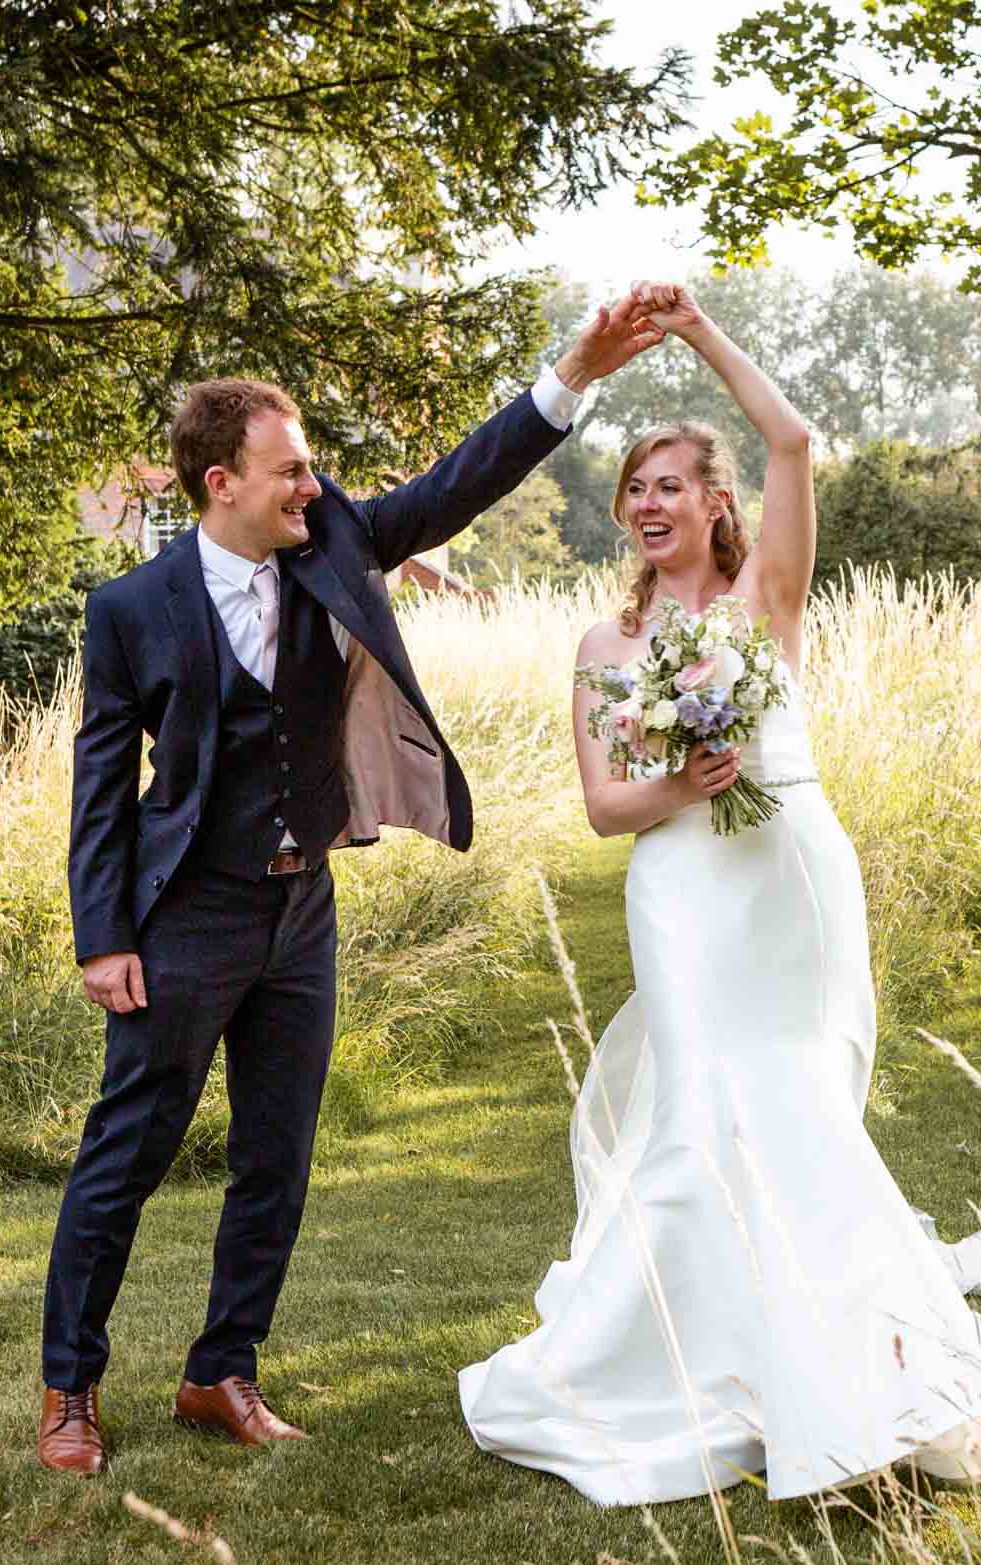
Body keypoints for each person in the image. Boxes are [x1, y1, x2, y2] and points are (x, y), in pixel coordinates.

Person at [39, 297, 666, 1475]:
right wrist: (102, 933)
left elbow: (456, 483)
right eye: (290, 470)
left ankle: (221, 1371)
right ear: (221, 481)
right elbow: (98, 782)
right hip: (184, 917)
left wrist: (572, 374)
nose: (311, 487)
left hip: (300, 910)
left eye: (312, 468)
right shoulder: (128, 612)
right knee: (127, 1148)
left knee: (277, 1152)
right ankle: (70, 1388)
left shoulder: (329, 541)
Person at [457, 283, 981, 1506]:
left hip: (789, 871)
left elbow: (793, 439)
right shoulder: (602, 650)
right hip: (680, 891)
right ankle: (683, 1354)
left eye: (672, 483)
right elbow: (604, 810)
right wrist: (679, 778)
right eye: (635, 488)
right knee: (693, 1118)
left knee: (800, 1103)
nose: (650, 503)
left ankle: (840, 1345)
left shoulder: (765, 600)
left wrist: (695, 336)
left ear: (716, 504)